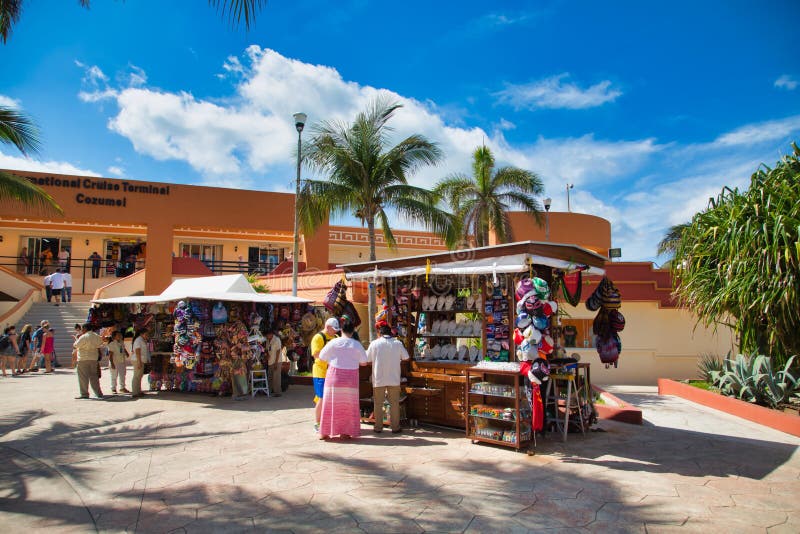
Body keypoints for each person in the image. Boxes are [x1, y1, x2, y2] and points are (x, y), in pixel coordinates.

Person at [317, 318, 368, 440]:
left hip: (334, 375)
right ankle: (345, 432)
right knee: (348, 405)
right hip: (350, 378)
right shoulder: (356, 344)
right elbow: (364, 362)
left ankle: (324, 432)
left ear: (341, 330)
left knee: (330, 404)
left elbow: (322, 357)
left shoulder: (333, 342)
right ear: (353, 330)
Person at [366, 322, 410, 434]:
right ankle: (395, 427)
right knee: (394, 403)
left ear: (379, 333)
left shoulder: (374, 344)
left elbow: (367, 360)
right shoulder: (397, 343)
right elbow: (406, 357)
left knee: (378, 403)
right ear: (390, 332)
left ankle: (378, 427)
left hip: (378, 378)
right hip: (394, 377)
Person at [309, 317, 340, 431]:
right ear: (327, 327)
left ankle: (328, 420)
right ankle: (317, 423)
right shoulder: (318, 338)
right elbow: (316, 354)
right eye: (334, 329)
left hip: (332, 372)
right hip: (321, 373)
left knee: (331, 398)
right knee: (321, 398)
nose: (336, 331)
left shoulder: (336, 337)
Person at [73, 323, 104, 399]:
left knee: (83, 377)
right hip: (93, 358)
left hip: (83, 359)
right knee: (94, 376)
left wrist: (77, 339)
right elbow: (100, 344)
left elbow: (76, 345)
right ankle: (98, 393)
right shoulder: (96, 336)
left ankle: (84, 394)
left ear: (85, 329)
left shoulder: (83, 337)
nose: (82, 330)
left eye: (83, 329)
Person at [131, 329, 151, 397]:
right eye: (146, 334)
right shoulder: (138, 340)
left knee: (139, 376)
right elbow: (137, 351)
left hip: (141, 360)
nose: (147, 336)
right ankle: (135, 392)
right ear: (141, 334)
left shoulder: (142, 340)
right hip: (138, 360)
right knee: (136, 376)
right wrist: (139, 361)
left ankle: (138, 391)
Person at [265, 329, 283, 397]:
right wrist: (267, 354)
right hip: (270, 361)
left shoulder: (277, 340)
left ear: (271, 334)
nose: (267, 336)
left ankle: (278, 392)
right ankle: (269, 390)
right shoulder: (267, 340)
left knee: (276, 377)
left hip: (277, 361)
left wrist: (276, 362)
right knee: (270, 376)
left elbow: (278, 351)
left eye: (268, 335)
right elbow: (267, 349)